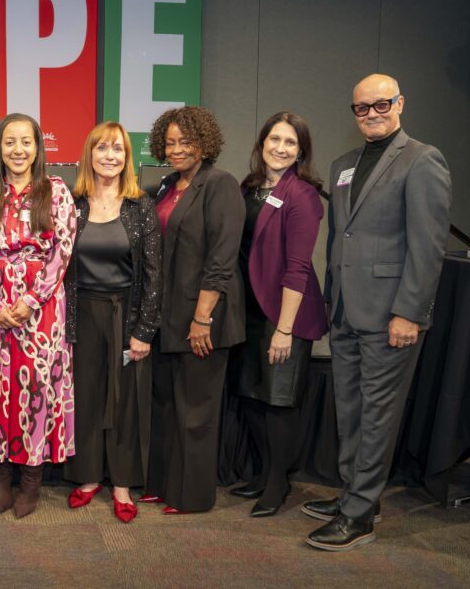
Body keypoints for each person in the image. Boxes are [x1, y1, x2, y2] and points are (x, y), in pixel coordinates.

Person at [304, 74, 451, 551]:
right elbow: (339, 238)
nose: (371, 114)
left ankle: (359, 516)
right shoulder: (343, 164)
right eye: (362, 108)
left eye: (381, 104)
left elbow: (428, 246)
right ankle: (356, 495)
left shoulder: (422, 159)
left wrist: (409, 313)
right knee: (350, 409)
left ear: (399, 103)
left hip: (391, 316)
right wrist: (331, 299)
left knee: (377, 416)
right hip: (347, 311)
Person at [0, 113, 77, 519]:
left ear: (38, 147)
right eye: (10, 142)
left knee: (36, 392)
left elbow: (62, 251)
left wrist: (31, 300)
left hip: (41, 312)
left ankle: (31, 481)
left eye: (26, 142)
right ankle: (0, 476)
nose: (18, 150)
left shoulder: (56, 192)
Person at [141, 105, 245, 514]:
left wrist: (202, 318)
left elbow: (221, 259)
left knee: (195, 413)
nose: (177, 149)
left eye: (186, 141)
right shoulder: (168, 186)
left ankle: (192, 496)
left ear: (204, 142)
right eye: (170, 143)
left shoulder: (220, 184)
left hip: (203, 318)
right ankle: (162, 485)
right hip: (168, 318)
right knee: (166, 407)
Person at [229, 112, 328, 517]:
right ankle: (262, 473)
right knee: (251, 397)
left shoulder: (302, 195)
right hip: (249, 310)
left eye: (290, 142)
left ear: (301, 151)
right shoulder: (249, 187)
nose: (281, 148)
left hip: (284, 314)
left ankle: (277, 483)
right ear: (262, 142)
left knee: (278, 403)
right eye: (275, 139)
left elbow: (298, 268)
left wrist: (284, 330)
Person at [63, 122, 162, 523]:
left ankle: (122, 483)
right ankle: (88, 478)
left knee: (123, 401)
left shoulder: (141, 206)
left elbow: (154, 274)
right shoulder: (73, 204)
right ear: (89, 155)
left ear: (127, 157)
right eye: (102, 148)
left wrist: (144, 331)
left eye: (117, 149)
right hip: (81, 314)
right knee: (85, 396)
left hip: (126, 314)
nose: (110, 155)